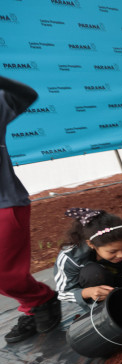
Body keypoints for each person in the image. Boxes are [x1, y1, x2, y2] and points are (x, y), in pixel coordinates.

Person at [1, 76, 61, 344]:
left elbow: (27, 95)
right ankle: (31, 305)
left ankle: (41, 299)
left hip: (5, 203)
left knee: (5, 274)